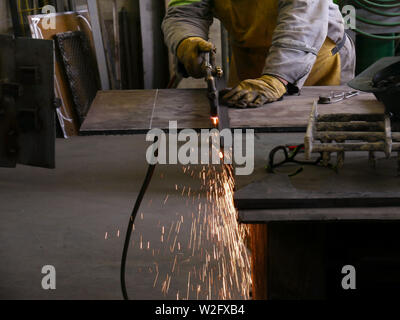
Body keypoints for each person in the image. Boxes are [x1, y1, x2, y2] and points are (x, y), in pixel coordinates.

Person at [162, 0, 355, 108]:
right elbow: (185, 12)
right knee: (249, 138)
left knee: (313, 140)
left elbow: (302, 19)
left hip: (313, 58)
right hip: (248, 61)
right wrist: (187, 41)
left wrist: (277, 77)